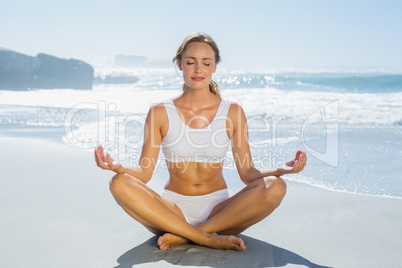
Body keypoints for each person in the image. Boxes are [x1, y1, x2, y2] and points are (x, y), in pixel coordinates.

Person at [94, 32, 307, 251]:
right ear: (179, 65)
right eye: (190, 62)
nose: (198, 70)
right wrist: (119, 168)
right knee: (118, 183)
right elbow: (145, 172)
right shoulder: (159, 112)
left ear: (215, 66)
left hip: (220, 211)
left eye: (206, 63)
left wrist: (279, 170)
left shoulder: (233, 112)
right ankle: (205, 237)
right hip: (172, 210)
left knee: (276, 186)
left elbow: (247, 173)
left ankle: (188, 235)